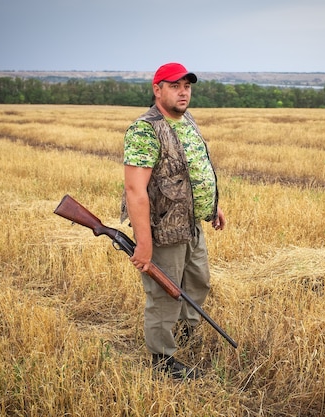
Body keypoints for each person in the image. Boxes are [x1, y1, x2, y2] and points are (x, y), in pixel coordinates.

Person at [121, 62, 226, 379]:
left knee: (198, 283)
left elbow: (194, 168)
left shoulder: (186, 120)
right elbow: (134, 190)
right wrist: (144, 242)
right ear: (157, 89)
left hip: (191, 225)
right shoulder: (144, 130)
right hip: (163, 230)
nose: (183, 92)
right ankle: (163, 360)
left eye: (187, 86)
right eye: (175, 85)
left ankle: (182, 337)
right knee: (164, 297)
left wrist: (212, 205)